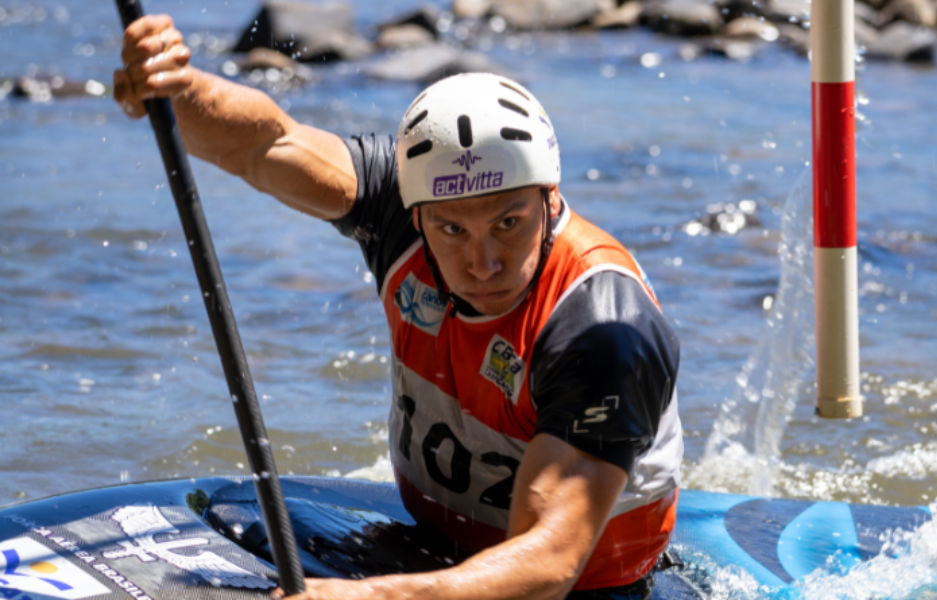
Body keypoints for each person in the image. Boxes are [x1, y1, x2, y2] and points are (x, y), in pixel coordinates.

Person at [114, 15, 683, 600]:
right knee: (234, 514)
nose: (482, 262)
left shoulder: (603, 328)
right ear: (416, 215)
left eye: (508, 223)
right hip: (435, 551)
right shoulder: (400, 202)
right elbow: (266, 144)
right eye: (452, 230)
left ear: (551, 197)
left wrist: (369, 598)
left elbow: (550, 564)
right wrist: (177, 89)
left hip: (588, 589)